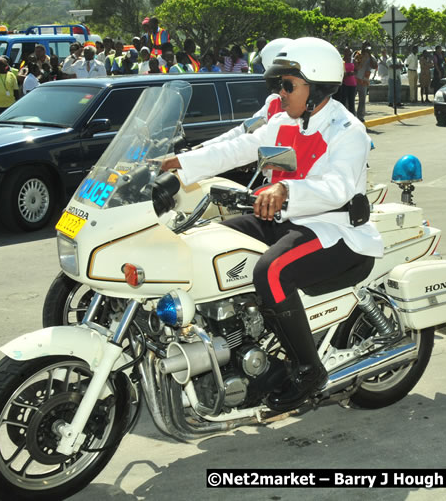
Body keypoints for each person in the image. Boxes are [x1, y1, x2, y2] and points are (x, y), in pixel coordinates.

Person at [160, 37, 382, 411]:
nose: (280, 93)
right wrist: (179, 162)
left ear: (317, 85)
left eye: (288, 85)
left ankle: (308, 369)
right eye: (277, 84)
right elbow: (235, 149)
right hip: (286, 219)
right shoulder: (282, 122)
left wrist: (283, 188)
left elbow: (338, 188)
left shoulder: (347, 129)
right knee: (211, 241)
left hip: (334, 227)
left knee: (272, 271)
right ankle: (235, 340)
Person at [353, 41, 377, 122]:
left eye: (367, 46)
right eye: (364, 46)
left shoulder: (371, 57)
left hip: (364, 81)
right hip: (355, 79)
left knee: (362, 100)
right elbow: (356, 66)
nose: (366, 48)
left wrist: (369, 55)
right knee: (351, 98)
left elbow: (374, 66)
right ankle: (352, 115)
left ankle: (360, 116)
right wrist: (363, 58)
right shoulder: (358, 54)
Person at [340, 46, 357, 114]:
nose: (347, 53)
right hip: (344, 83)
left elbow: (356, 70)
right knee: (343, 100)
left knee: (351, 101)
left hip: (352, 83)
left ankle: (352, 115)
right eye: (346, 51)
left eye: (348, 51)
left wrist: (352, 73)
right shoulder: (342, 60)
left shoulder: (353, 60)